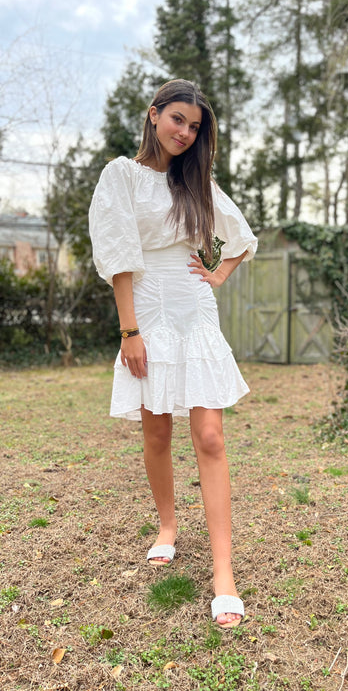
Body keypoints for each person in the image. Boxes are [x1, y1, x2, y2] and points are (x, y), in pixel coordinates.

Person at [88, 79, 257, 629]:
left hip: (194, 312)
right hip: (147, 317)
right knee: (156, 432)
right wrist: (129, 331)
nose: (185, 133)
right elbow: (118, 256)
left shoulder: (198, 183)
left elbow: (241, 238)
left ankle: (224, 575)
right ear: (154, 114)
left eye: (195, 127)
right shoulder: (122, 176)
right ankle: (167, 526)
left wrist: (217, 274)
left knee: (209, 436)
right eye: (178, 120)